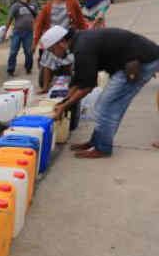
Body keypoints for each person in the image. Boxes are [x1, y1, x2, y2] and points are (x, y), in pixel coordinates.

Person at [42, 25, 159, 158]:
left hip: (142, 62)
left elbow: (88, 86)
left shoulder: (82, 48)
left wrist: (64, 106)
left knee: (106, 106)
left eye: (52, 50)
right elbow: (80, 78)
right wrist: (65, 100)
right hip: (132, 60)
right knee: (108, 105)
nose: (53, 54)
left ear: (61, 43)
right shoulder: (79, 42)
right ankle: (96, 142)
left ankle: (102, 148)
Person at [33, 0, 87, 92]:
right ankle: (45, 87)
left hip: (69, 38)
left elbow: (81, 20)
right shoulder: (48, 6)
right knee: (48, 63)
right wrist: (35, 42)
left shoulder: (73, 1)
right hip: (53, 40)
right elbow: (39, 25)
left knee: (69, 62)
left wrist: (86, 34)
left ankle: (71, 86)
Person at [6, 0, 39, 77]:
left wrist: (37, 31)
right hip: (17, 32)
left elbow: (37, 18)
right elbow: (10, 18)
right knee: (13, 51)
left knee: (29, 51)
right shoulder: (16, 5)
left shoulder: (34, 5)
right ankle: (10, 69)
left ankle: (28, 68)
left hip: (29, 33)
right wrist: (6, 31)